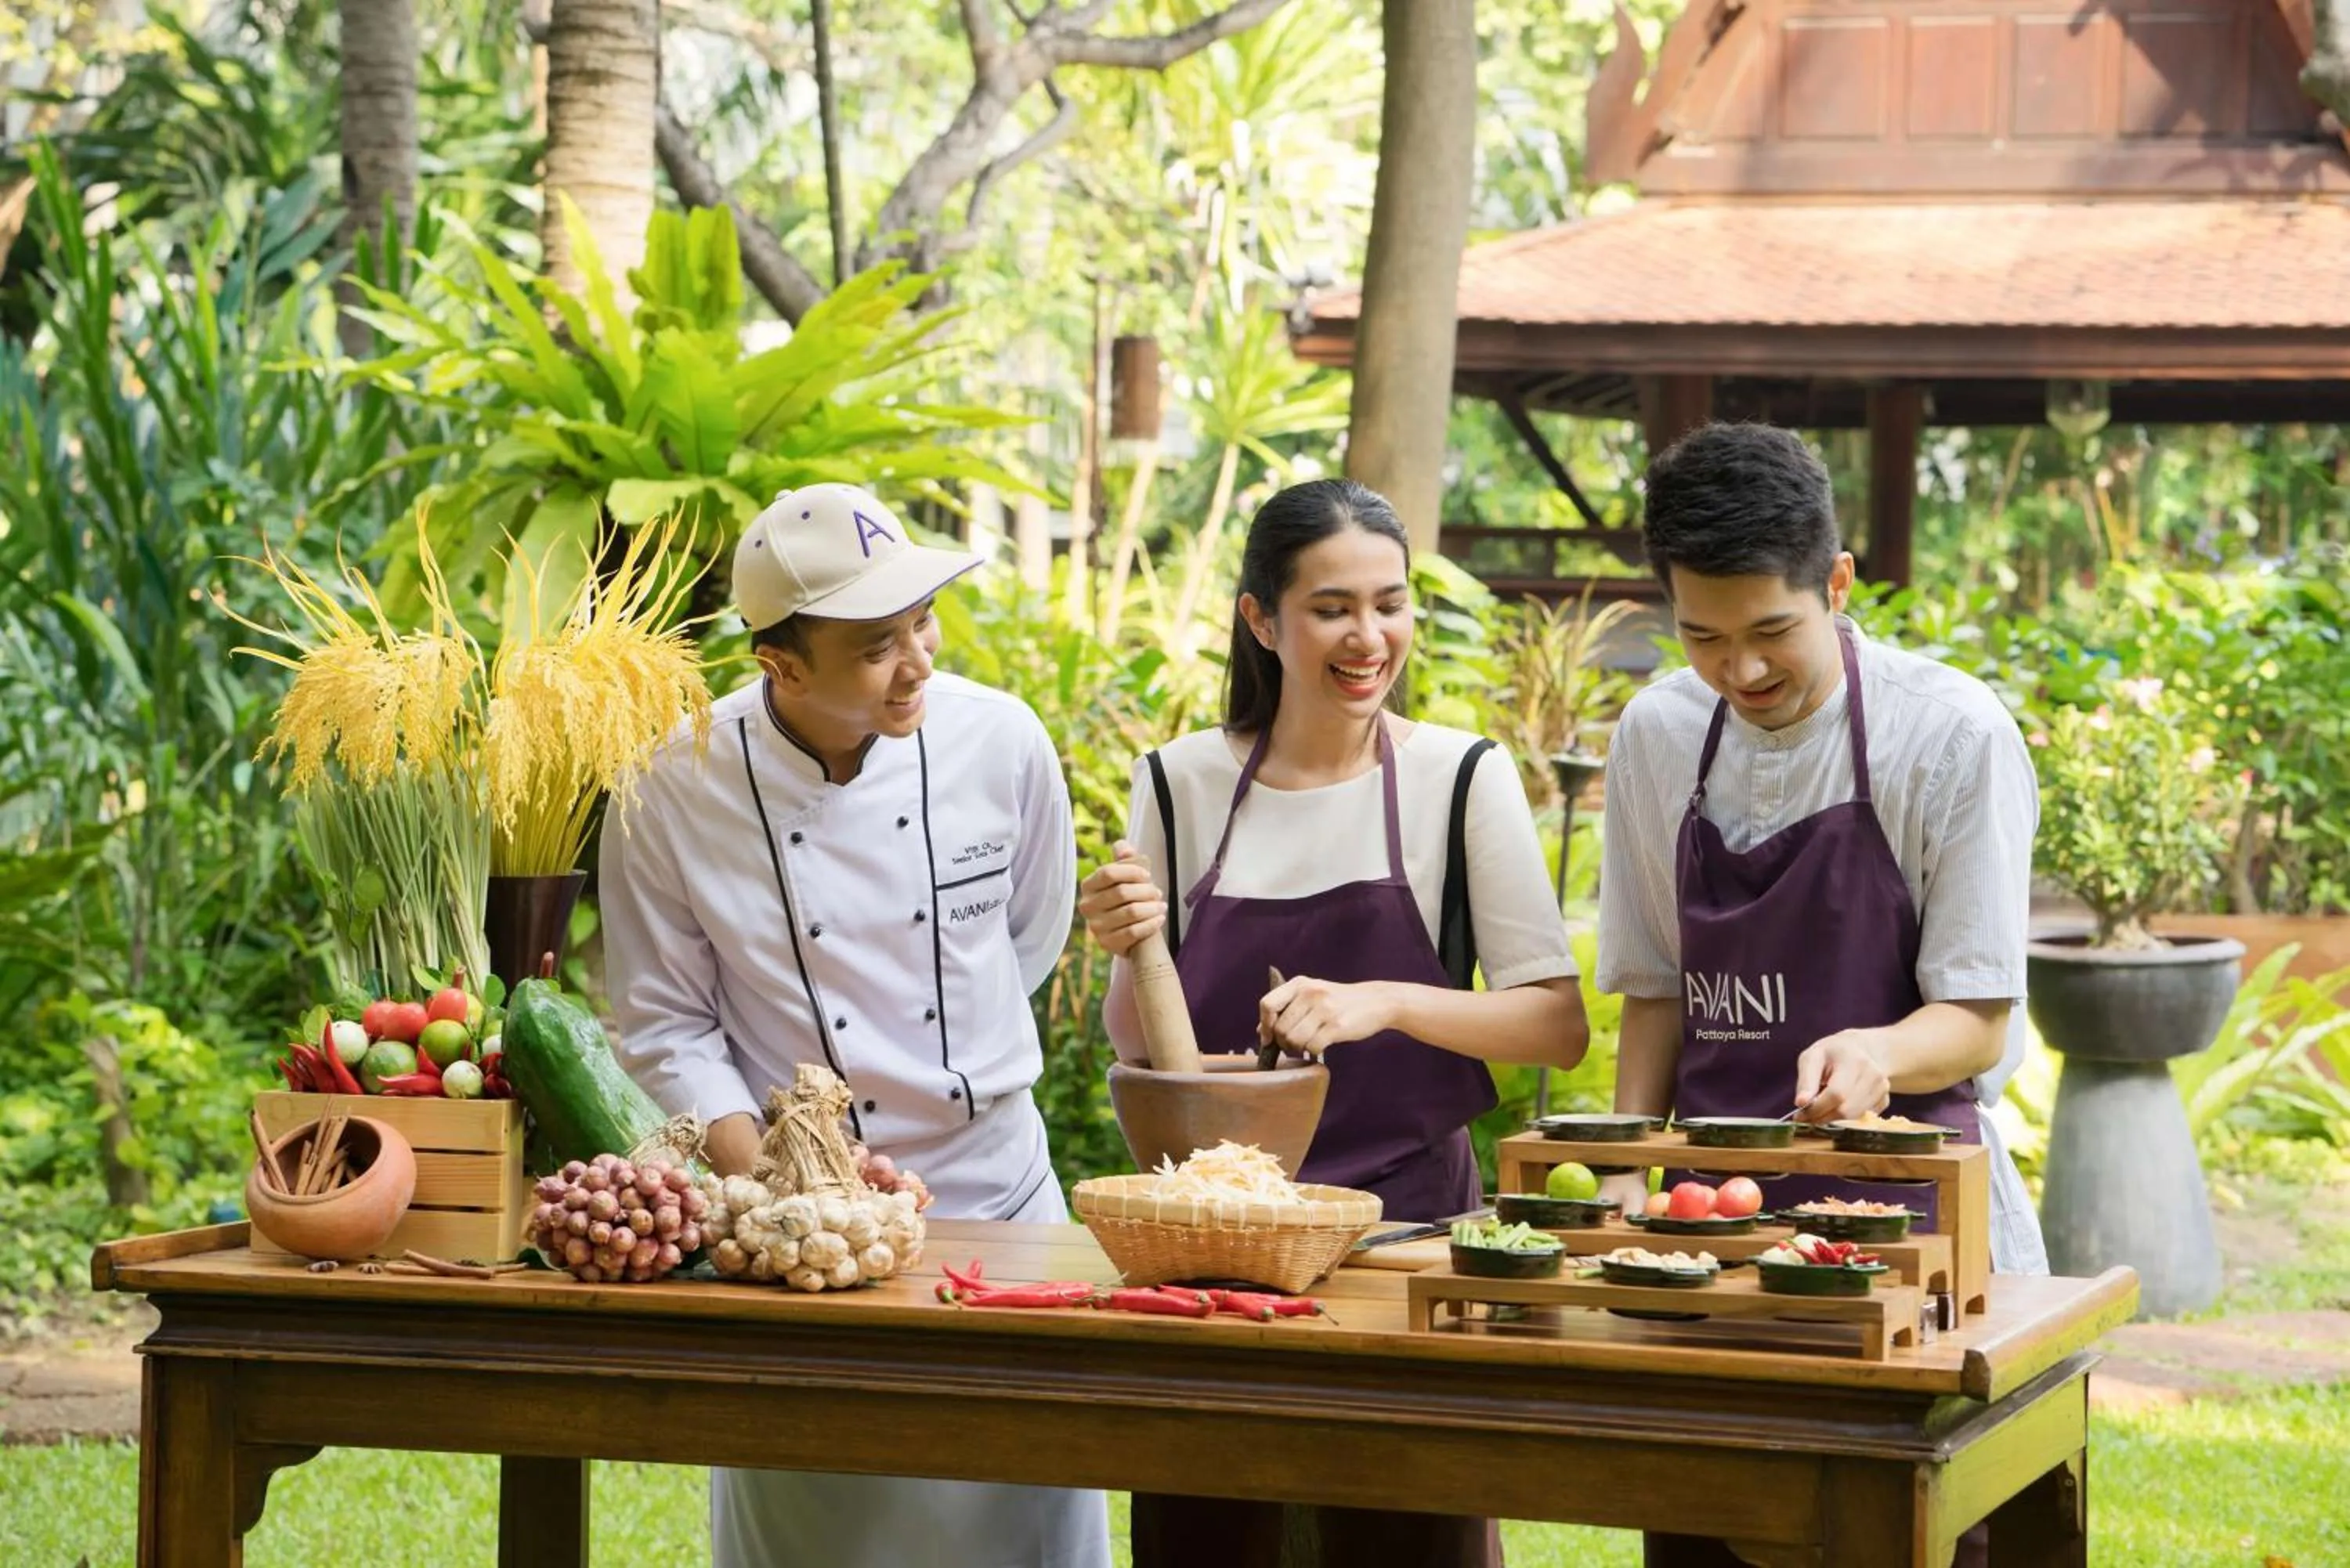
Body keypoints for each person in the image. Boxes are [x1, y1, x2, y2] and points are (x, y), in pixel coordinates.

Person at [599, 482, 1112, 1568]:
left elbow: (1028, 937)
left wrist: (955, 1082)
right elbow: (662, 1025)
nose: (918, 660)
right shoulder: (672, 785)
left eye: (922, 621)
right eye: (877, 645)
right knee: (822, 1525)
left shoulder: (1001, 742)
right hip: (805, 1240)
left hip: (1004, 1203)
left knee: (1027, 1515)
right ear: (779, 664)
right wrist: (797, 1185)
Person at [1079, 476, 1588, 1568]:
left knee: (1412, 1531)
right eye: (1332, 608)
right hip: (1211, 1239)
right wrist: (1129, 944)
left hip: (1406, 1233)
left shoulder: (1459, 779)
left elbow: (1556, 1026)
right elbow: (1138, 1041)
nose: (1370, 636)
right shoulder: (1178, 785)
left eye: (1390, 603)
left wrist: (1387, 1002)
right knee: (1209, 1533)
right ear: (1263, 620)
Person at [1593, 424, 2048, 1568]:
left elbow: (1979, 1013)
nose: (1738, 671)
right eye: (1701, 635)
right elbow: (1655, 992)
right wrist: (1616, 1179)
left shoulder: (1946, 735)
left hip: (1911, 1232)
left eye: (1771, 633)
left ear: (1837, 584)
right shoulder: (1657, 737)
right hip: (1711, 1239)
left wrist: (1878, 1053)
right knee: (1712, 1526)